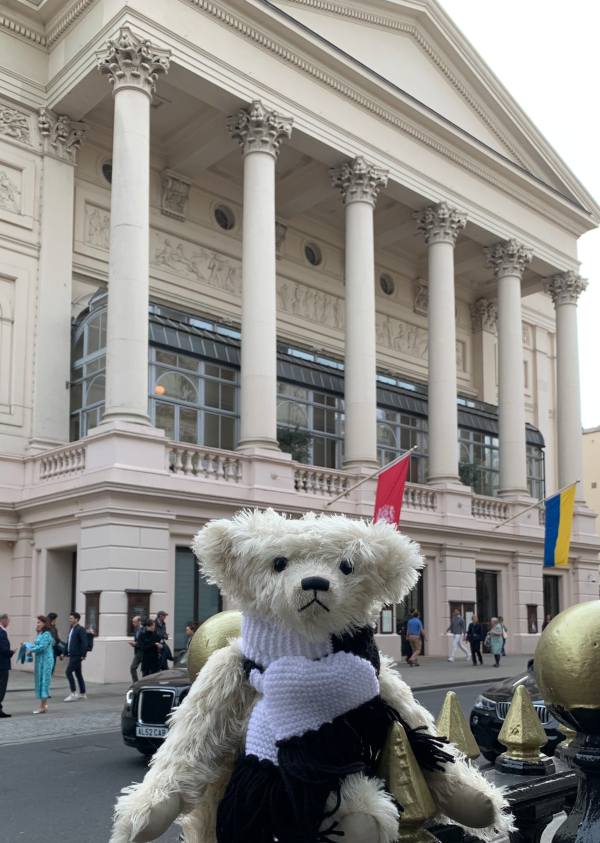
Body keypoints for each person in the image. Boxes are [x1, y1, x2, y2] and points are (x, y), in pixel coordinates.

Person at [23, 616, 54, 714]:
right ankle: (44, 705)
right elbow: (36, 645)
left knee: (44, 681)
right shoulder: (40, 633)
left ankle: (42, 706)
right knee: (40, 681)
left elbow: (42, 647)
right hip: (40, 660)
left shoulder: (47, 634)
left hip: (46, 661)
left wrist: (31, 649)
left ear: (44, 624)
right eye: (37, 622)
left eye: (39, 622)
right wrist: (26, 644)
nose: (37, 624)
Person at [64, 612, 88, 702]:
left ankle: (73, 693)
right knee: (78, 674)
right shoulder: (72, 629)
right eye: (69, 618)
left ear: (76, 619)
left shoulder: (80, 629)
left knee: (68, 672)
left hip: (77, 655)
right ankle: (82, 693)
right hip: (72, 655)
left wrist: (83, 654)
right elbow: (69, 641)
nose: (69, 620)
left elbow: (84, 643)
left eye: (71, 618)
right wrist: (64, 652)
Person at [0, 613, 14, 718]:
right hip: (2, 665)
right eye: (8, 620)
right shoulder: (2, 633)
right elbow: (4, 650)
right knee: (1, 687)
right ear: (3, 620)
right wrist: (11, 652)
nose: (9, 622)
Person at [129, 615, 144, 684]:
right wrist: (134, 644)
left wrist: (136, 644)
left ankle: (145, 684)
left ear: (139, 622)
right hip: (138, 652)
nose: (133, 624)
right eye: (132, 622)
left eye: (134, 622)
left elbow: (144, 642)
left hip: (143, 652)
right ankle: (136, 683)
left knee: (144, 670)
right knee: (132, 668)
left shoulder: (143, 630)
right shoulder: (136, 630)